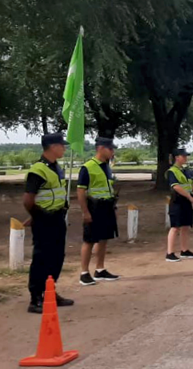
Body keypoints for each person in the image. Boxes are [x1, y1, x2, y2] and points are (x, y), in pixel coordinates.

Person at [23, 133, 75, 313]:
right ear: (53, 147)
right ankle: (35, 298)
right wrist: (37, 216)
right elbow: (28, 200)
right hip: (45, 220)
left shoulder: (55, 167)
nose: (64, 148)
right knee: (42, 258)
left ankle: (50, 291)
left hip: (57, 218)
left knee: (56, 257)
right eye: (62, 145)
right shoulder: (38, 170)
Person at [77, 137, 121, 286]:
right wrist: (85, 212)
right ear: (101, 148)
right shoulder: (88, 167)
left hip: (107, 206)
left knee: (104, 238)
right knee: (89, 240)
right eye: (110, 149)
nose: (112, 151)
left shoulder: (106, 167)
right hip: (94, 207)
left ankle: (100, 269)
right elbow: (81, 191)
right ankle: (84, 273)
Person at [165, 148, 193, 262]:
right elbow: (176, 186)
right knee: (175, 227)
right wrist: (190, 197)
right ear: (177, 157)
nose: (186, 158)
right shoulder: (172, 171)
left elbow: (192, 183)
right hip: (177, 202)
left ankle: (184, 250)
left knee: (185, 226)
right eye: (183, 156)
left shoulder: (185, 171)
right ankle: (170, 253)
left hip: (186, 202)